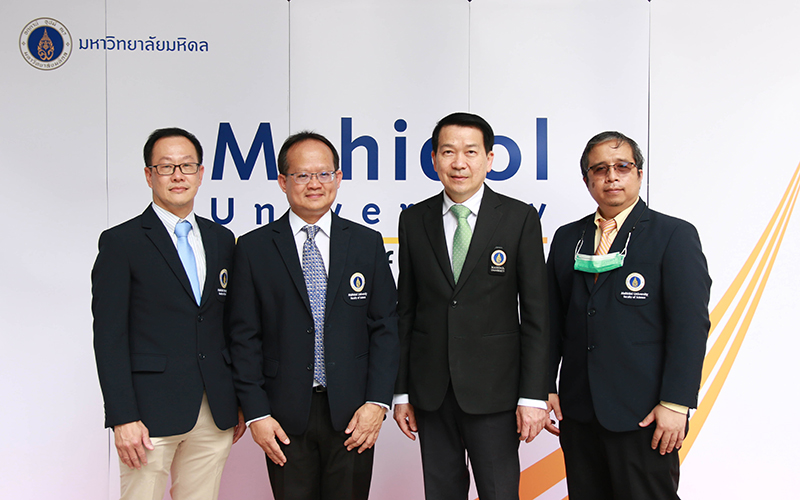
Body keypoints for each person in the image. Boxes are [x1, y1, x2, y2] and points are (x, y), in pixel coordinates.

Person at [228, 131, 399, 500]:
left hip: (354, 415)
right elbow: (243, 337)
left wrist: (377, 403)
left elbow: (385, 327)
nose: (315, 184)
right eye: (302, 175)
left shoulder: (366, 242)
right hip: (283, 417)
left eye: (324, 174)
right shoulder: (254, 248)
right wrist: (256, 414)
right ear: (283, 181)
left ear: (338, 178)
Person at [546, 131, 711, 499]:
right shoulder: (566, 238)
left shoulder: (673, 235)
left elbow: (689, 326)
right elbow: (552, 321)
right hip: (579, 411)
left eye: (622, 166)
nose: (612, 177)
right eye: (600, 169)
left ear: (639, 173)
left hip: (645, 414)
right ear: (587, 179)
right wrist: (545, 385)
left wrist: (676, 403)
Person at [393, 112, 550, 500]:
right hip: (431, 392)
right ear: (434, 159)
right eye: (448, 152)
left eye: (470, 152)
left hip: (496, 393)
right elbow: (406, 311)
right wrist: (401, 392)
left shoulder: (519, 218)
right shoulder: (413, 220)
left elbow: (537, 314)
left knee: (499, 492)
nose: (459, 163)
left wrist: (534, 395)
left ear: (489, 159)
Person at [92, 127, 245, 500]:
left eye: (187, 166)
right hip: (148, 414)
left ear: (201, 173)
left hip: (214, 411)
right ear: (149, 175)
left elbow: (231, 326)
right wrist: (123, 417)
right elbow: (109, 337)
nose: (178, 175)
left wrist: (239, 401)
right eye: (166, 167)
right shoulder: (121, 242)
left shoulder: (222, 239)